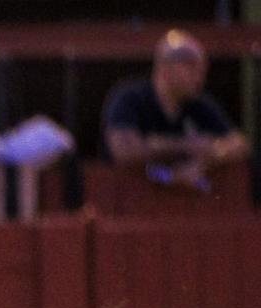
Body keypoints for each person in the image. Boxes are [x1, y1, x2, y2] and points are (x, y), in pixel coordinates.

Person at [102, 29, 247, 189]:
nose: (199, 77)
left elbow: (238, 144)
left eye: (202, 69)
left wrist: (205, 161)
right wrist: (187, 147)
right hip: (126, 198)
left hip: (185, 200)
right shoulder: (129, 98)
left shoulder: (198, 103)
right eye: (191, 67)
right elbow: (125, 152)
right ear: (165, 66)